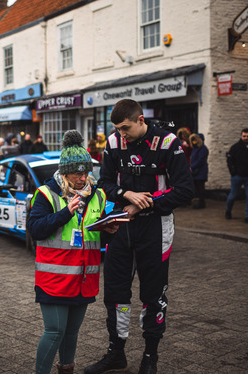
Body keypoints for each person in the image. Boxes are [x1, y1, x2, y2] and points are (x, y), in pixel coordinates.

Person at [86, 99, 193, 374]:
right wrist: (125, 195)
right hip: (121, 226)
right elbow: (104, 183)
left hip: (155, 227)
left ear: (141, 120)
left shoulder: (168, 143)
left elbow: (185, 190)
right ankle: (116, 353)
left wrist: (146, 203)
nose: (121, 134)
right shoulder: (112, 144)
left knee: (153, 294)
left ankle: (150, 357)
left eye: (125, 128)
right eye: (117, 129)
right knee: (116, 294)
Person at [28, 130, 116, 374]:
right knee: (55, 331)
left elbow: (95, 233)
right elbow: (36, 229)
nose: (83, 177)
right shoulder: (47, 194)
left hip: (84, 278)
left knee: (72, 332)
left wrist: (109, 229)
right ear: (65, 171)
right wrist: (66, 212)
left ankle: (66, 369)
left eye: (86, 171)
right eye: (78, 172)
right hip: (54, 279)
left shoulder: (97, 194)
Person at [225, 128, 248, 224]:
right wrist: (233, 172)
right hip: (237, 176)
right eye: (244, 136)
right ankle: (228, 211)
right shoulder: (235, 148)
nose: (246, 138)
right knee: (232, 195)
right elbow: (229, 160)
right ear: (241, 136)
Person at [189, 133, 209, 209]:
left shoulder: (203, 149)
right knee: (197, 187)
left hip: (200, 171)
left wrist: (192, 167)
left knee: (200, 188)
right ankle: (199, 202)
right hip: (196, 171)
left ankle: (201, 203)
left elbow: (201, 160)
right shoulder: (196, 148)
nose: (194, 141)